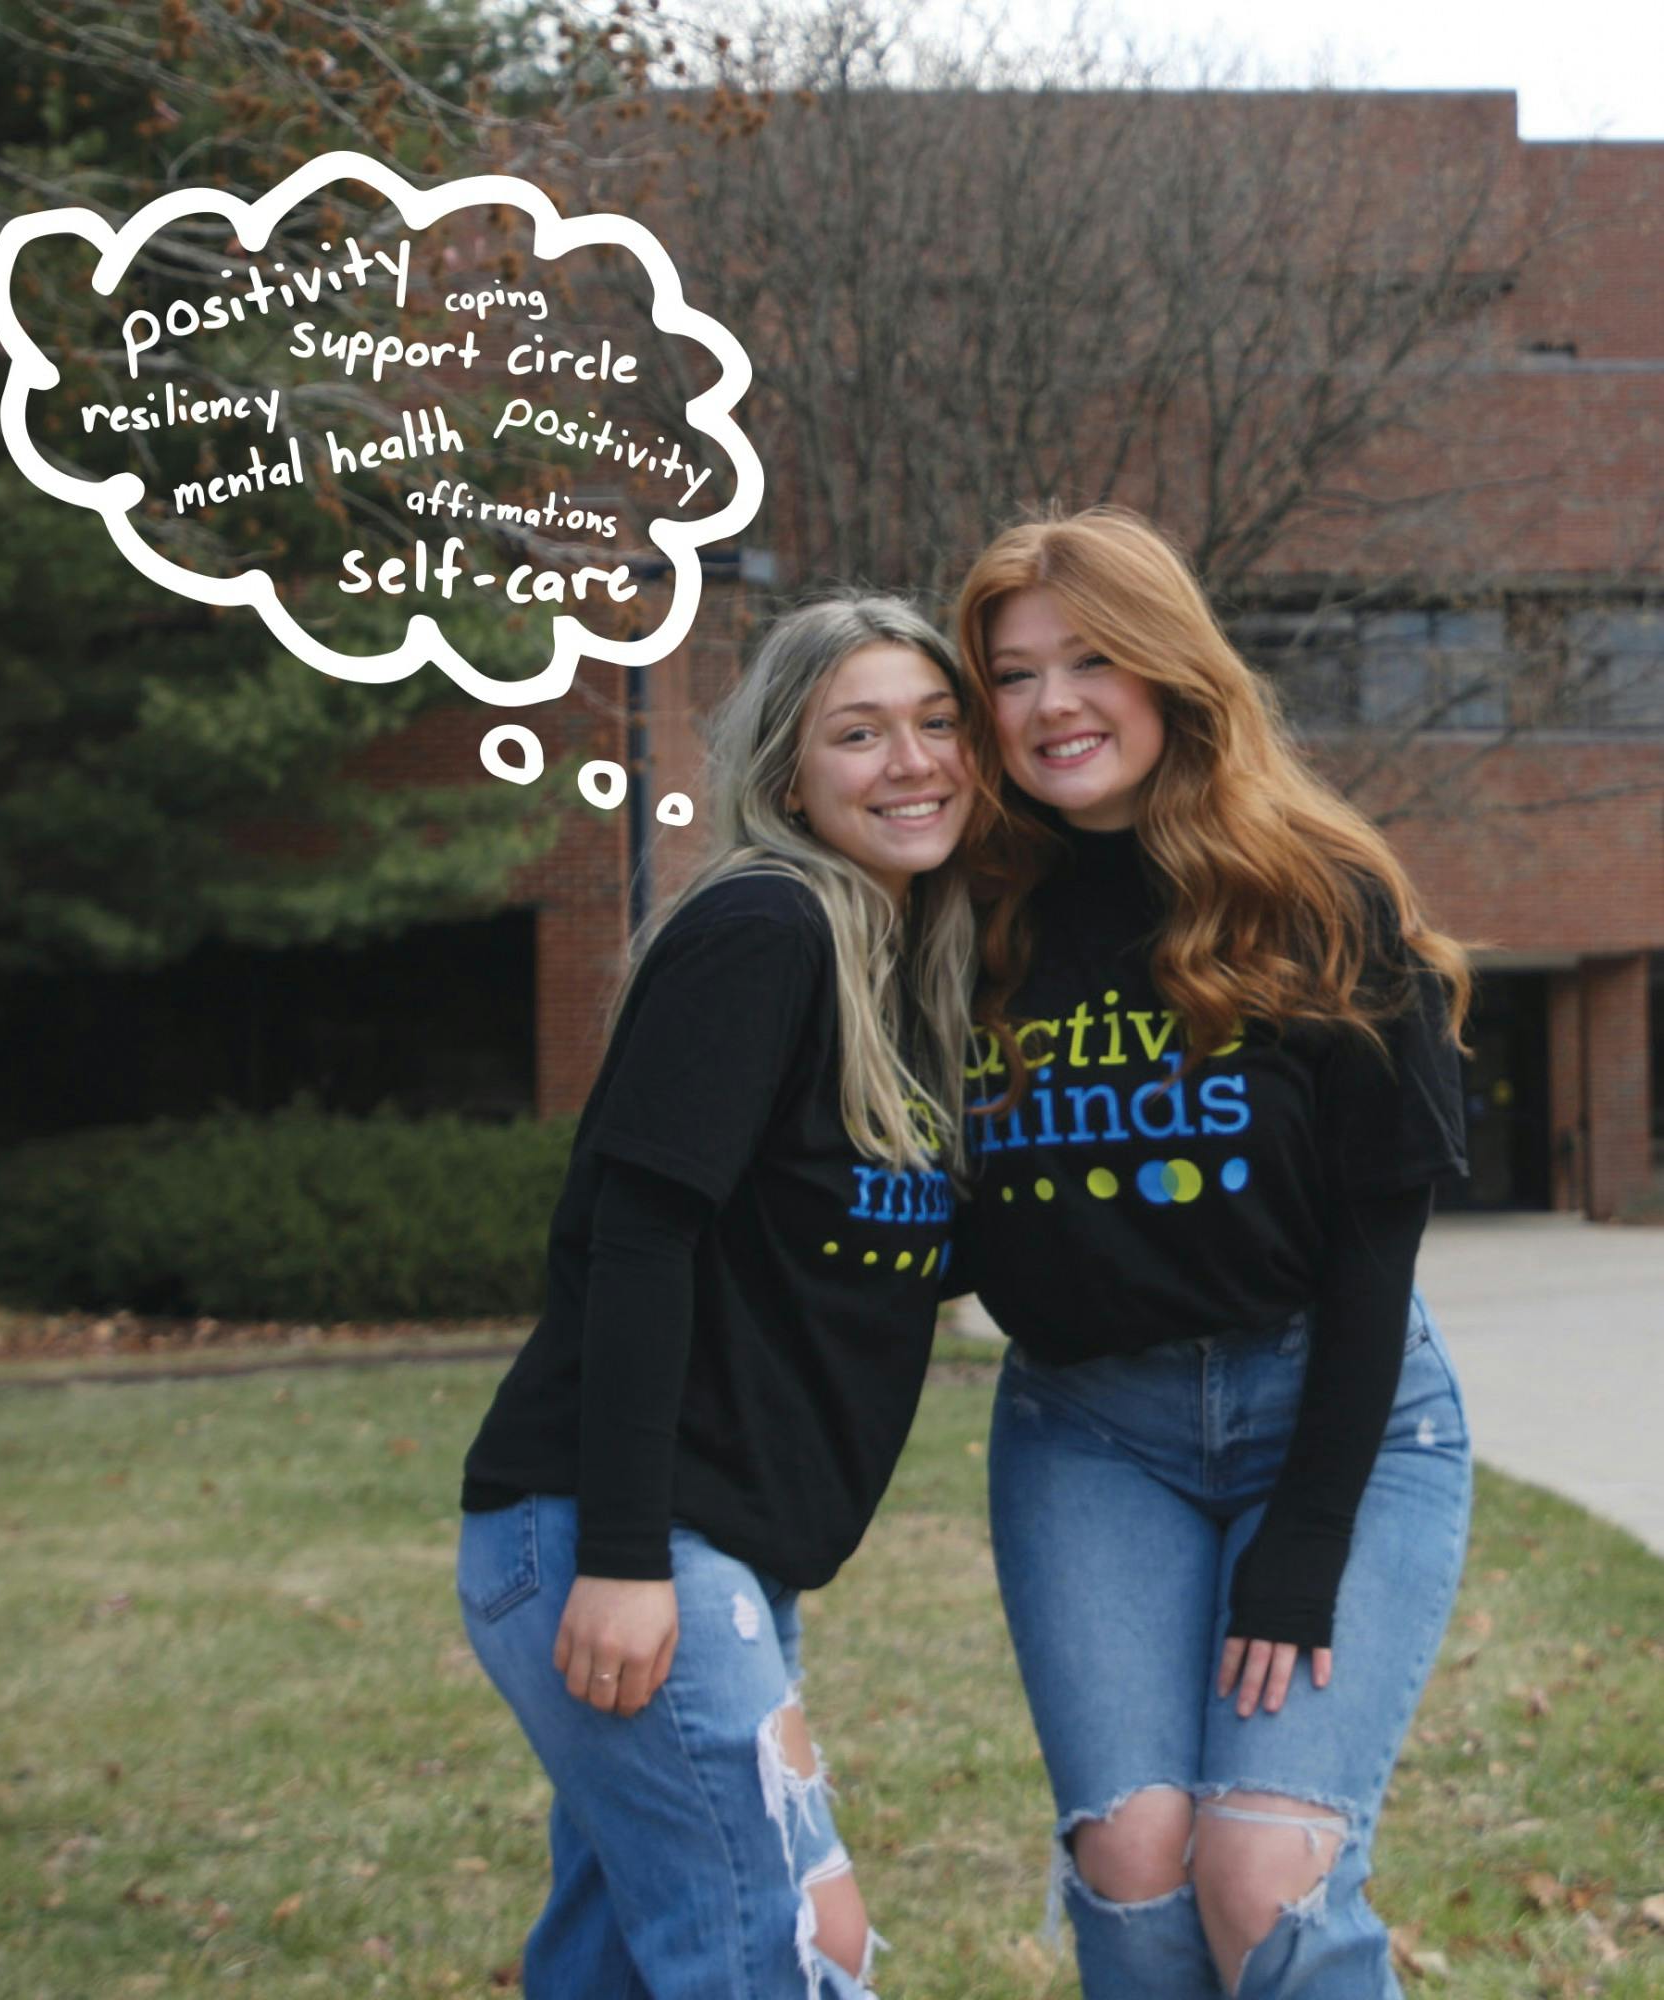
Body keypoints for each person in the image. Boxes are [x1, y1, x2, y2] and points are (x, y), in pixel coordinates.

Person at [952, 508, 1474, 1998]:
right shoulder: (965, 913)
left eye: (1091, 661)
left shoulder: (1317, 888)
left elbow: (1375, 1248)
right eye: (1012, 674)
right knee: (1133, 1860)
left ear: (1170, 671)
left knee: (1262, 1873)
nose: (1052, 705)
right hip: (1086, 1432)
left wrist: (1304, 1544)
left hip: (1332, 1409)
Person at [457, 596, 988, 2000]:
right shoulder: (766, 927)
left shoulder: (900, 972)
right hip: (625, 1533)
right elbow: (636, 1244)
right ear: (788, 774)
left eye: (938, 724)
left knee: (623, 1958)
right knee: (793, 1940)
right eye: (858, 733)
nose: (911, 761)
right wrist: (627, 1555)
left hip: (723, 1547)